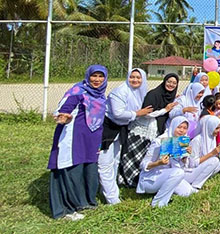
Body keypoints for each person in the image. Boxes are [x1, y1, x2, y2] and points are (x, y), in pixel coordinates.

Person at [48, 65, 108, 220]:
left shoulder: (101, 95)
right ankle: (67, 208)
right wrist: (64, 118)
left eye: (101, 76)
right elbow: (62, 110)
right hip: (74, 138)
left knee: (89, 170)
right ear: (88, 76)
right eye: (94, 76)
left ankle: (85, 201)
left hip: (92, 138)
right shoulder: (77, 91)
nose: (97, 80)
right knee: (72, 170)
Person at [99, 68, 150, 205]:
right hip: (108, 128)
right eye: (132, 77)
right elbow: (118, 113)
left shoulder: (139, 92)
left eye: (138, 78)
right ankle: (111, 198)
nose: (135, 80)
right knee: (105, 163)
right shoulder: (120, 91)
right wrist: (138, 113)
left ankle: (111, 191)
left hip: (120, 129)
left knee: (115, 160)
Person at [120, 74, 179, 188]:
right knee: (133, 157)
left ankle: (140, 180)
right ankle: (127, 182)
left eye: (174, 83)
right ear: (164, 81)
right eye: (169, 81)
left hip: (154, 132)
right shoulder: (154, 94)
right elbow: (146, 114)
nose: (171, 85)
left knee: (146, 157)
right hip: (142, 130)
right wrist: (164, 110)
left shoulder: (171, 97)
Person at [136, 117, 196, 207]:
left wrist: (185, 156)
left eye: (184, 128)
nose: (182, 131)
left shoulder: (182, 142)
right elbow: (143, 164)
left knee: (189, 192)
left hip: (171, 175)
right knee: (178, 173)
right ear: (173, 126)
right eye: (179, 127)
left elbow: (180, 165)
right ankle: (158, 203)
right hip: (151, 179)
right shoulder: (159, 142)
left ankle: (167, 190)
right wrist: (158, 163)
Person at [188, 116, 220, 184]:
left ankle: (203, 178)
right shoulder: (197, 140)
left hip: (203, 167)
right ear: (209, 128)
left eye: (219, 128)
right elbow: (192, 164)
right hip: (192, 171)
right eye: (216, 128)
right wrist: (212, 153)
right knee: (215, 160)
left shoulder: (211, 138)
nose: (218, 131)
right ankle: (196, 185)